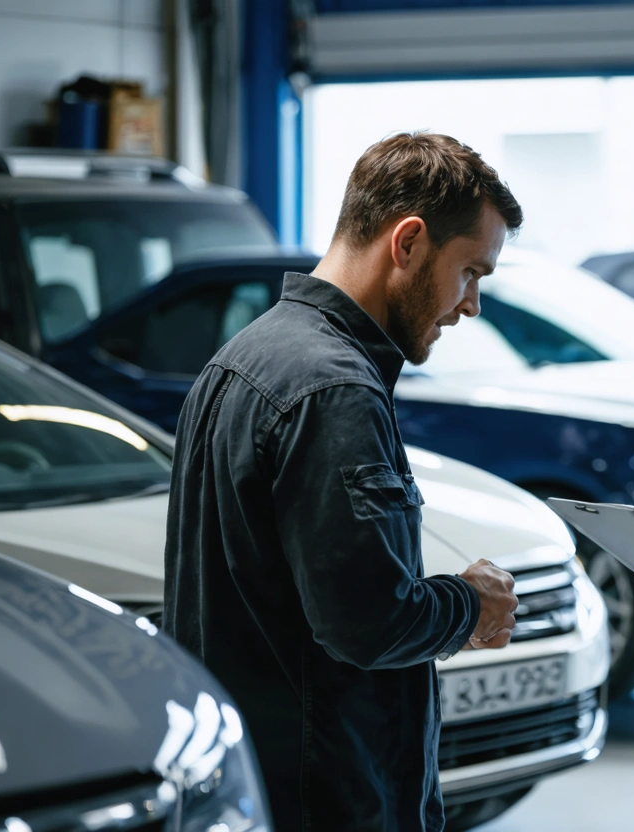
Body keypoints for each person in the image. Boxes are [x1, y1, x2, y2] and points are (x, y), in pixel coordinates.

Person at [163, 132, 524, 832]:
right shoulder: (334, 389)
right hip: (329, 797)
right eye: (471, 272)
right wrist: (470, 606)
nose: (470, 304)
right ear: (409, 242)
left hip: (253, 785)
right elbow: (367, 622)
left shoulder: (244, 357)